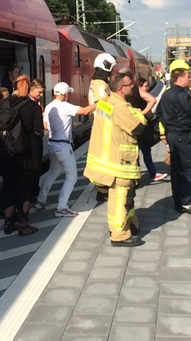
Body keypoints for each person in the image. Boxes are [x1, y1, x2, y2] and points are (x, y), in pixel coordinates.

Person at [84, 70, 147, 247]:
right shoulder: (120, 107)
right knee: (120, 198)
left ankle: (130, 225)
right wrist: (139, 113)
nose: (132, 86)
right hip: (120, 162)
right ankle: (120, 235)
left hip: (108, 158)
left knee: (124, 197)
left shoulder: (107, 103)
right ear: (121, 88)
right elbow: (138, 127)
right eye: (129, 84)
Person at [34, 82, 96, 216]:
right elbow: (85, 110)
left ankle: (41, 199)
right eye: (68, 92)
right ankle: (61, 207)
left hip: (52, 144)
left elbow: (45, 125)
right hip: (63, 146)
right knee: (72, 176)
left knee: (53, 172)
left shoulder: (50, 106)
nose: (68, 95)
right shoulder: (65, 106)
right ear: (64, 94)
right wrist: (101, 103)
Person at [157, 61, 191, 214]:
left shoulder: (167, 94)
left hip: (172, 135)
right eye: (188, 76)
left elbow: (158, 114)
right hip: (182, 136)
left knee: (176, 170)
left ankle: (178, 202)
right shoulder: (182, 94)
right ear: (181, 78)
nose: (190, 79)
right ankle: (187, 202)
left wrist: (169, 124)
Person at [6, 75, 43, 236]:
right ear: (28, 88)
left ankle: (8, 224)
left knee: (9, 189)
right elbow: (38, 130)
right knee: (24, 190)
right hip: (28, 154)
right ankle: (24, 224)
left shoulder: (5, 104)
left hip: (9, 153)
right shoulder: (32, 106)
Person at [88, 52, 117, 202]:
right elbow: (101, 102)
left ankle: (101, 188)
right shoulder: (100, 84)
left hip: (101, 124)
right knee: (104, 158)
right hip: (104, 126)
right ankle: (102, 189)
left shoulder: (96, 82)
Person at [128, 77, 168, 182]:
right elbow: (152, 101)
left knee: (140, 151)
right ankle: (152, 173)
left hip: (131, 126)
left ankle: (138, 176)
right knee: (145, 151)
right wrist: (142, 113)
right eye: (145, 86)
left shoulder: (127, 96)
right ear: (139, 86)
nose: (147, 88)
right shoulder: (138, 93)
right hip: (140, 127)